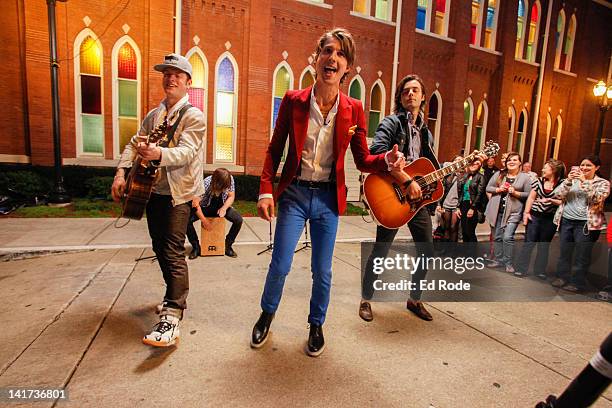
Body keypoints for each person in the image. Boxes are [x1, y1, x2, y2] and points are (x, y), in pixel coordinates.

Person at [250, 28, 404, 357]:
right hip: (294, 194)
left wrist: (387, 161)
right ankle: (267, 313)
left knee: (323, 269)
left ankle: (316, 324)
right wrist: (266, 190)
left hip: (327, 200)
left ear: (347, 68)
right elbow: (274, 150)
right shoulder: (293, 101)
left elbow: (363, 160)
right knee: (280, 264)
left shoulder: (354, 109)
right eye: (328, 51)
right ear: (317, 58)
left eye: (341, 55)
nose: (332, 58)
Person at [111, 54, 205, 347]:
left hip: (178, 194)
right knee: (158, 247)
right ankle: (171, 298)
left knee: (173, 249)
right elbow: (133, 143)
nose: (171, 78)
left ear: (188, 82)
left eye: (177, 74)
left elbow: (187, 152)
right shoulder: (155, 115)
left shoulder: (193, 116)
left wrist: (158, 154)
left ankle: (173, 314)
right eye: (166, 73)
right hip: (151, 191)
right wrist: (121, 172)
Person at [359, 74, 441, 323]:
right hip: (393, 196)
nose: (411, 94)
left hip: (418, 203)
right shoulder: (391, 123)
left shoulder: (425, 133)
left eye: (415, 90)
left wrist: (462, 167)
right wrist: (406, 179)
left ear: (423, 96)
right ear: (400, 97)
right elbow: (377, 152)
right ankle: (366, 299)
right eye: (406, 91)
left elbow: (430, 168)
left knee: (427, 251)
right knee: (380, 251)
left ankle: (414, 299)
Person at [551, 155, 610, 292]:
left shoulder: (602, 183)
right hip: (566, 220)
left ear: (597, 167)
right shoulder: (572, 180)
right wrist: (568, 181)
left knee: (581, 255)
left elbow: (597, 198)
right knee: (565, 251)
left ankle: (577, 282)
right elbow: (557, 195)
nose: (584, 168)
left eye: (588, 165)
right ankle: (562, 277)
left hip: (586, 224)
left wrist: (585, 182)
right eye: (582, 165)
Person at [514, 159, 565, 278]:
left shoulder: (563, 184)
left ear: (553, 170)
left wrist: (552, 201)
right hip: (535, 216)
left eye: (545, 168)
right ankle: (521, 268)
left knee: (544, 245)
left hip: (550, 218)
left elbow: (563, 201)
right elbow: (531, 198)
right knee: (529, 243)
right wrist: (526, 213)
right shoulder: (538, 181)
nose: (542, 170)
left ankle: (540, 271)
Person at [484, 152, 531, 273]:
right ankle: (498, 260)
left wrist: (515, 193)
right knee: (497, 237)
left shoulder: (525, 177)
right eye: (510, 160)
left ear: (520, 162)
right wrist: (498, 189)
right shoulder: (499, 174)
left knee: (507, 237)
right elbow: (488, 188)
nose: (512, 162)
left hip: (514, 212)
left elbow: (528, 194)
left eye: (515, 160)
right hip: (497, 210)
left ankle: (508, 262)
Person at [186, 168, 243, 259]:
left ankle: (227, 246)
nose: (224, 189)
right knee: (187, 221)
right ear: (216, 182)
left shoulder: (230, 179)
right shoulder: (205, 184)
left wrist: (224, 208)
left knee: (238, 220)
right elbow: (195, 204)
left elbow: (231, 196)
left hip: (221, 205)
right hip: (205, 207)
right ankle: (196, 247)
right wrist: (204, 220)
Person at [457, 158, 486, 246]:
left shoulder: (481, 177)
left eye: (476, 163)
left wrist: (472, 208)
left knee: (470, 232)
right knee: (464, 232)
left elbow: (479, 194)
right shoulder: (465, 176)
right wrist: (458, 206)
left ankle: (473, 255)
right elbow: (460, 193)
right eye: (472, 163)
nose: (473, 165)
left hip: (473, 205)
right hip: (463, 205)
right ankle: (467, 255)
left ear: (480, 166)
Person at [436, 156, 463, 247]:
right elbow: (442, 190)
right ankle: (445, 249)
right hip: (446, 204)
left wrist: (459, 206)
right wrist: (439, 204)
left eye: (460, 160)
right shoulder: (447, 175)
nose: (458, 162)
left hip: (456, 205)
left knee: (453, 227)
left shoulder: (464, 175)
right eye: (456, 160)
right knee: (446, 227)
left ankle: (452, 250)